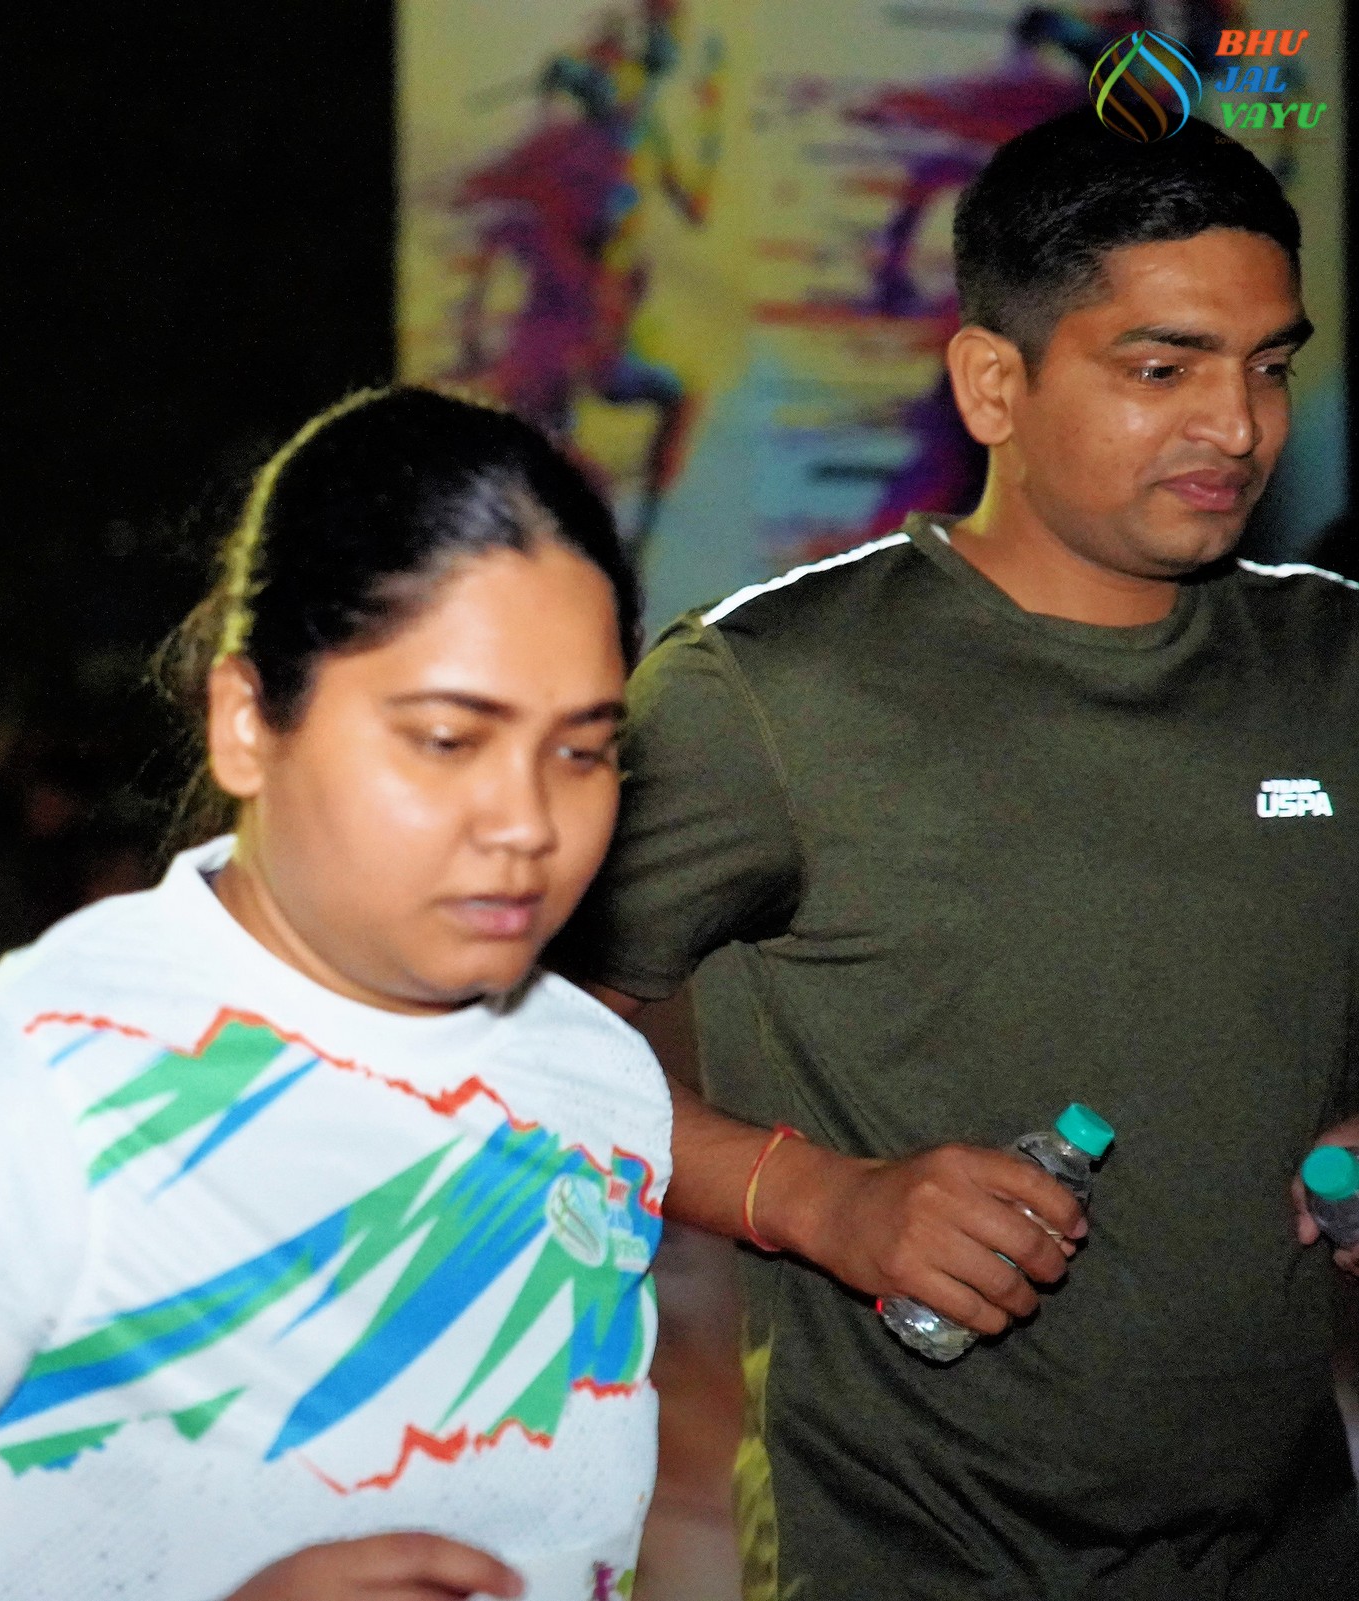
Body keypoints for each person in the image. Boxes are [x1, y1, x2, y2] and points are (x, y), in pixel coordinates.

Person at [0, 387, 668, 1601]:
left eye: (581, 749)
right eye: (448, 738)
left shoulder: (599, 1079)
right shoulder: (36, 1074)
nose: (526, 821)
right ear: (246, 721)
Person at [554, 108, 1357, 1597]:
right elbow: (499, 1051)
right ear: (993, 382)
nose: (1238, 427)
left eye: (1269, 366)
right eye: (1163, 368)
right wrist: (822, 1200)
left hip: (1291, 1550)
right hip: (911, 1559)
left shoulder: (1332, 660)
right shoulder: (772, 690)